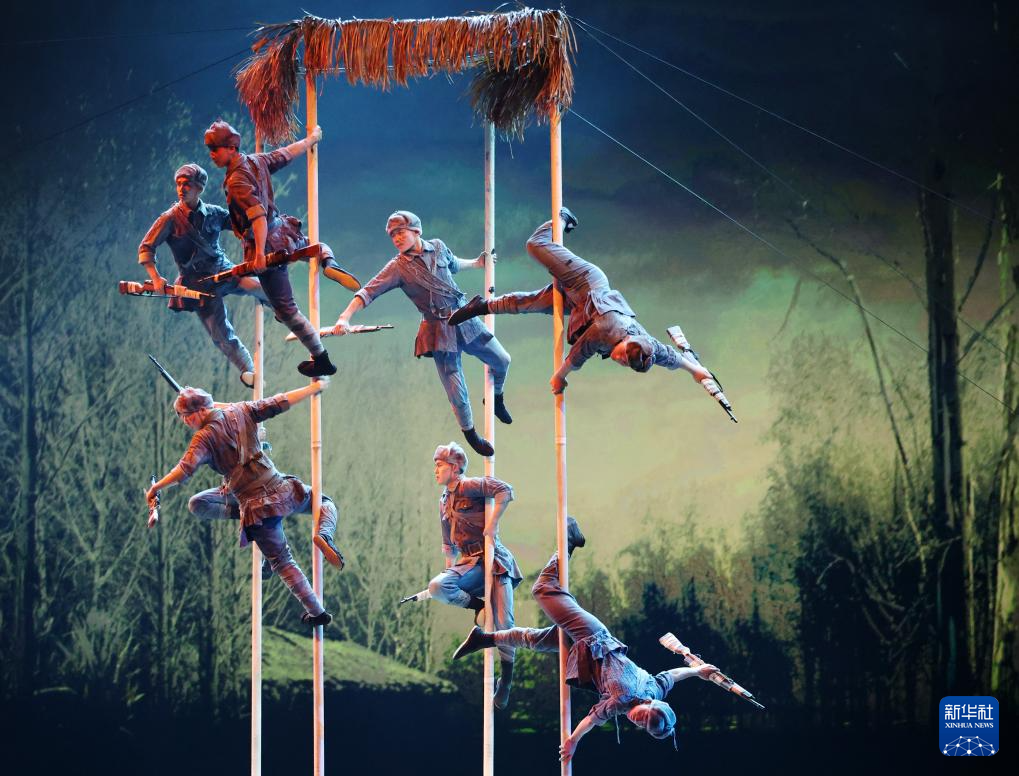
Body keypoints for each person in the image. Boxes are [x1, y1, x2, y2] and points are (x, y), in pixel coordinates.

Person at [452, 519, 719, 762]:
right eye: (642, 716)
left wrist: (697, 671)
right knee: (543, 589)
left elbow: (671, 676)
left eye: (640, 723)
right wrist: (573, 741)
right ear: (651, 704)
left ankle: (483, 638)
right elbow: (592, 720)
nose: (636, 719)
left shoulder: (651, 692)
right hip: (590, 635)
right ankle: (568, 543)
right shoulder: (623, 698)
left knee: (534, 640)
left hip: (582, 652)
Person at [449, 208, 713, 394]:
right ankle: (563, 217)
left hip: (580, 306)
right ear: (625, 344)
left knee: (528, 304)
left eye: (625, 363)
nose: (620, 361)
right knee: (535, 244)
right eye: (623, 357)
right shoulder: (606, 330)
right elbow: (578, 355)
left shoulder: (645, 346)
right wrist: (559, 378)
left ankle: (481, 306)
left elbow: (668, 356)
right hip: (585, 282)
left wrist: (695, 371)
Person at [146, 379, 344, 627]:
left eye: (187, 416)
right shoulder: (241, 409)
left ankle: (318, 612)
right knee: (324, 502)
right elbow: (279, 402)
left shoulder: (203, 438)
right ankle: (325, 534)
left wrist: (155, 487)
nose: (185, 421)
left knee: (282, 561)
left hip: (255, 507)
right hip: (282, 489)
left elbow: (183, 470)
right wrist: (312, 389)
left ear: (202, 411)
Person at [330, 210, 511, 456]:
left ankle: (496, 398)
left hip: (464, 316)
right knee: (457, 393)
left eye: (400, 232)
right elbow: (368, 291)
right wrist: (344, 317)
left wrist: (477, 263)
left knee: (502, 359)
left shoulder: (438, 247)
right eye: (392, 235)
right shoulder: (397, 267)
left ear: (416, 230)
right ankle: (471, 434)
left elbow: (453, 264)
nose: (396, 238)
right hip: (438, 330)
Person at [205, 119, 360, 378]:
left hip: (266, 244)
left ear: (231, 148)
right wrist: (311, 140)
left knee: (287, 310)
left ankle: (321, 359)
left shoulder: (236, 181)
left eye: (215, 149)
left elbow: (257, 217)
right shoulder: (256, 161)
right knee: (315, 245)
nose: (212, 154)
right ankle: (329, 262)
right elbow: (286, 154)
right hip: (284, 231)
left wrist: (258, 254)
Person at [137, 163, 268, 387]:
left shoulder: (214, 213)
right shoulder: (169, 219)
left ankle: (287, 313)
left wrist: (253, 214)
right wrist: (156, 278)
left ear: (199, 188)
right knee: (220, 333)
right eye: (179, 184)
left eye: (187, 184)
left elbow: (242, 226)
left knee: (259, 287)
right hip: (197, 283)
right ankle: (249, 370)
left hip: (222, 269)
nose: (181, 189)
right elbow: (146, 248)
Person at [429, 442, 522, 708]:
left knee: (504, 624)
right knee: (438, 587)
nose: (435, 470)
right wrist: (449, 570)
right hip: (470, 563)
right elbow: (448, 544)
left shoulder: (470, 486)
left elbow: (505, 490)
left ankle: (506, 679)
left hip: (494, 560)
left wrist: (492, 524)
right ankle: (478, 606)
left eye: (440, 465)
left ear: (454, 468)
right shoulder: (444, 501)